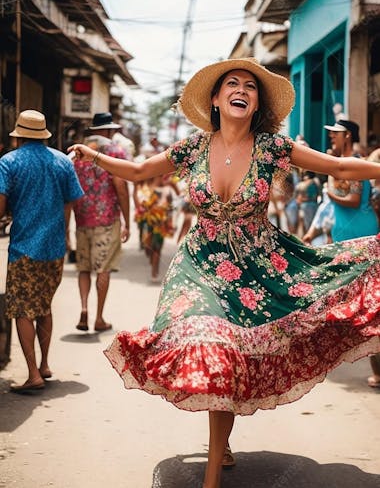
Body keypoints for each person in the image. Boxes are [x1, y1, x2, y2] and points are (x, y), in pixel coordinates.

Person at [69, 58, 380, 488]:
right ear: (216, 99)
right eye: (231, 84)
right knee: (213, 348)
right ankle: (212, 478)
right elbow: (140, 172)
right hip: (201, 264)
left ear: (256, 104)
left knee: (232, 358)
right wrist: (94, 154)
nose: (241, 90)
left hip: (260, 266)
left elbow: (340, 168)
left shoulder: (273, 148)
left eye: (250, 87)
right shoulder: (192, 148)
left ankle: (219, 452)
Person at [0, 110, 83, 393]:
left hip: (24, 247)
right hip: (55, 247)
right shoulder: (61, 161)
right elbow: (73, 201)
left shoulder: (9, 162)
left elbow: (1, 204)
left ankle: (33, 374)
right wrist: (67, 233)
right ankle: (45, 364)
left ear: (19, 136)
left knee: (23, 309)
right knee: (44, 306)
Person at [72, 112, 130, 332]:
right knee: (103, 269)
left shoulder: (78, 153)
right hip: (106, 219)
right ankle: (98, 317)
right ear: (109, 130)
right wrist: (127, 220)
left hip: (82, 218)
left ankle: (84, 310)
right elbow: (121, 188)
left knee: (84, 267)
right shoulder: (115, 151)